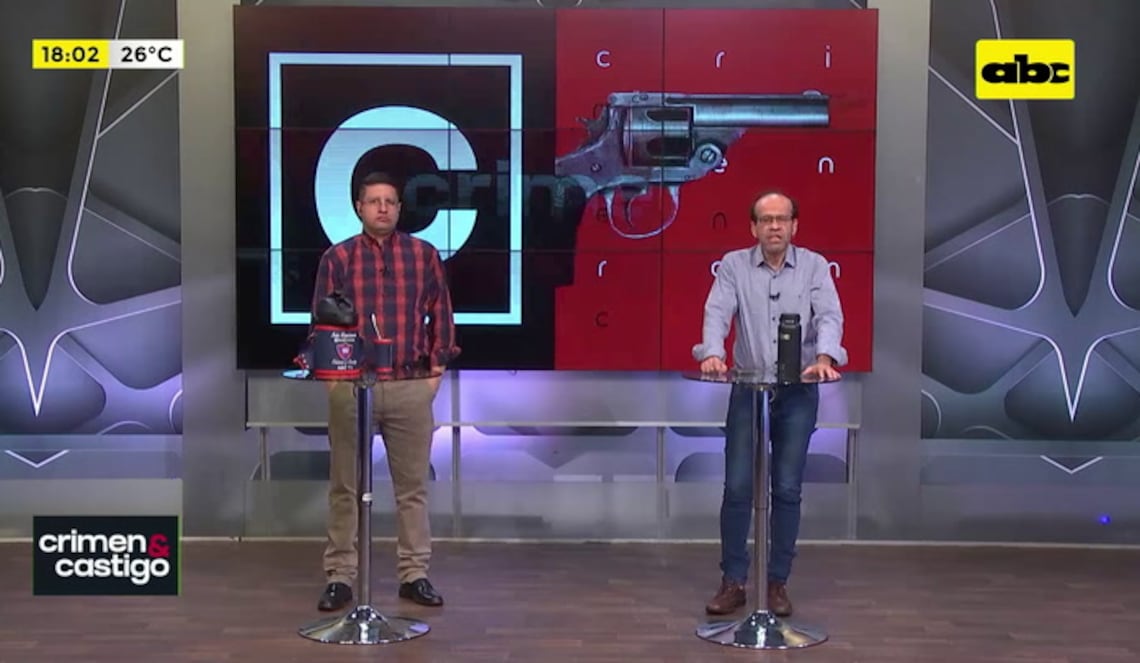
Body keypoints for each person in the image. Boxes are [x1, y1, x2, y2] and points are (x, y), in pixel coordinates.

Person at [309, 171, 460, 612]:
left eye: (389, 201)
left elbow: (442, 314)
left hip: (410, 386)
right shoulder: (338, 258)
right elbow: (321, 322)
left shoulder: (423, 255)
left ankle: (414, 574)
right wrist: (334, 378)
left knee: (412, 488)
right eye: (373, 201)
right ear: (359, 207)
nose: (382, 208)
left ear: (399, 208)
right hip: (352, 386)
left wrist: (435, 371)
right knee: (344, 487)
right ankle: (340, 576)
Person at [692, 190, 844, 617]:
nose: (774, 226)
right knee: (738, 486)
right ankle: (734, 581)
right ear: (753, 227)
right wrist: (712, 352)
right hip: (748, 391)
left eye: (781, 219)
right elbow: (716, 311)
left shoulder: (814, 266)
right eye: (766, 219)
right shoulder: (734, 265)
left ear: (794, 225)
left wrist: (825, 357)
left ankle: (777, 582)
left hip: (798, 394)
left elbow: (830, 316)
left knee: (788, 488)